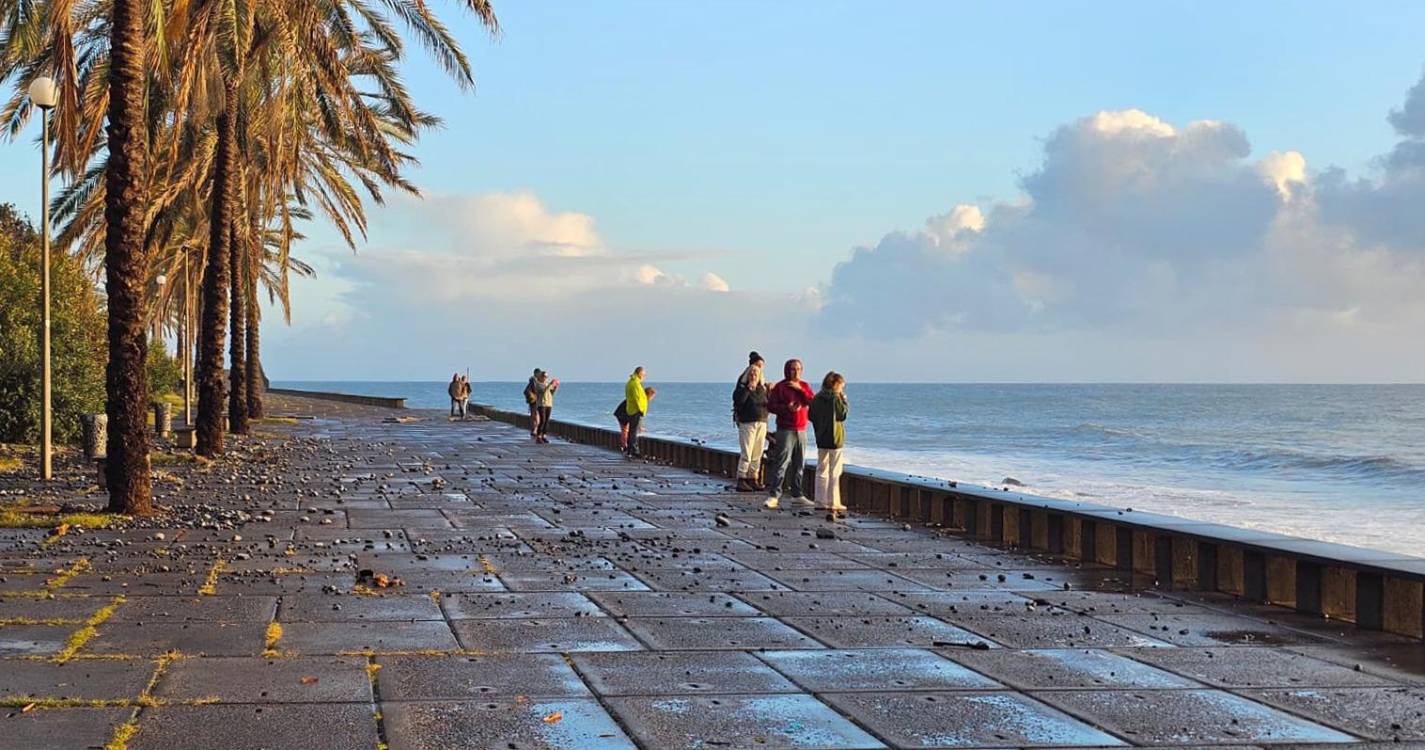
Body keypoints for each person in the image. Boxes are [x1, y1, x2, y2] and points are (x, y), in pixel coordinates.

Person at [764, 359, 815, 509]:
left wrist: (800, 389)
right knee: (782, 462)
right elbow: (771, 406)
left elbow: (811, 401)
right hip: (785, 429)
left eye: (799, 369)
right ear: (787, 370)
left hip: (801, 429)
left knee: (799, 463)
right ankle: (774, 495)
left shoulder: (804, 386)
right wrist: (787, 408)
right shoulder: (780, 387)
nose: (796, 372)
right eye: (793, 369)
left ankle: (797, 494)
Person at [808, 371, 849, 514]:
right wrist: (844, 401)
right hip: (835, 439)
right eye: (841, 386)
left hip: (821, 438)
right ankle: (833, 502)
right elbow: (841, 415)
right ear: (836, 385)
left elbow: (811, 415)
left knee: (821, 469)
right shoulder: (835, 398)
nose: (842, 389)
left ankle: (820, 501)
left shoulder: (817, 398)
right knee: (835, 471)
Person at [732, 352, 769, 492]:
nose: (757, 371)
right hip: (747, 422)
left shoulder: (762, 385)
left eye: (760, 367)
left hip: (761, 420)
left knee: (757, 451)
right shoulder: (743, 383)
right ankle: (741, 478)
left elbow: (766, 401)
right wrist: (749, 387)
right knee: (747, 451)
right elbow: (738, 400)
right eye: (755, 367)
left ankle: (753, 477)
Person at [615, 387, 656, 453]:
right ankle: (625, 447)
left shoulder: (640, 398)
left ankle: (626, 447)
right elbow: (638, 414)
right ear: (649, 395)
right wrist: (639, 427)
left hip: (624, 412)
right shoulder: (642, 400)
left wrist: (640, 426)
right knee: (625, 430)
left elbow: (638, 416)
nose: (652, 399)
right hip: (622, 413)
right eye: (652, 397)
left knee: (627, 430)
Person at [623, 367, 649, 457]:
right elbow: (638, 398)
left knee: (632, 430)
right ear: (639, 374)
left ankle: (631, 450)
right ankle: (634, 450)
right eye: (643, 375)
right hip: (635, 410)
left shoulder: (631, 382)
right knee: (633, 431)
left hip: (631, 409)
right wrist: (642, 410)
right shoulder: (635, 384)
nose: (644, 377)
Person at [528, 370, 559, 443]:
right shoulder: (538, 384)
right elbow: (543, 391)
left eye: (547, 376)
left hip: (549, 403)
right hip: (541, 404)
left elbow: (551, 393)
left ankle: (544, 435)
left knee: (547, 421)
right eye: (545, 376)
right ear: (541, 377)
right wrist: (549, 385)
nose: (546, 378)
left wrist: (555, 387)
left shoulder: (547, 384)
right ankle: (538, 437)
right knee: (542, 420)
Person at [523, 369, 542, 438]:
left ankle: (534, 429)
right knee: (536, 415)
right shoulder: (535, 381)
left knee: (533, 415)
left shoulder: (532, 381)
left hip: (532, 400)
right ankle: (535, 429)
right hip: (535, 400)